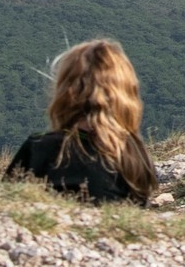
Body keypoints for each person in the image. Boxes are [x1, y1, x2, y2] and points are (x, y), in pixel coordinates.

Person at [8, 39, 156, 203]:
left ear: (67, 91)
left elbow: (5, 206)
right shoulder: (135, 157)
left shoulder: (40, 148)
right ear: (127, 95)